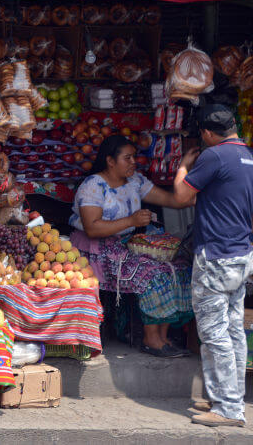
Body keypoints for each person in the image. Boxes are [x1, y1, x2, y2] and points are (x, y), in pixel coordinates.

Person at [70, 135, 194, 357]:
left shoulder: (135, 181)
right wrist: (131, 221)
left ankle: (164, 337)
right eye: (127, 158)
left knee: (179, 267)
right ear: (110, 161)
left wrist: (185, 169)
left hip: (128, 244)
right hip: (98, 248)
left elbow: (174, 200)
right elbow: (92, 228)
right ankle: (151, 339)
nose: (133, 162)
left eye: (134, 157)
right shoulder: (93, 186)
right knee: (152, 274)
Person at [173, 104, 253, 428]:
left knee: (215, 334)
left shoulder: (214, 155)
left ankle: (228, 409)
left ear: (207, 134)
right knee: (233, 331)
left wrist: (183, 166)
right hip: (240, 255)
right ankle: (230, 401)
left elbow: (181, 195)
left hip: (216, 258)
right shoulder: (248, 156)